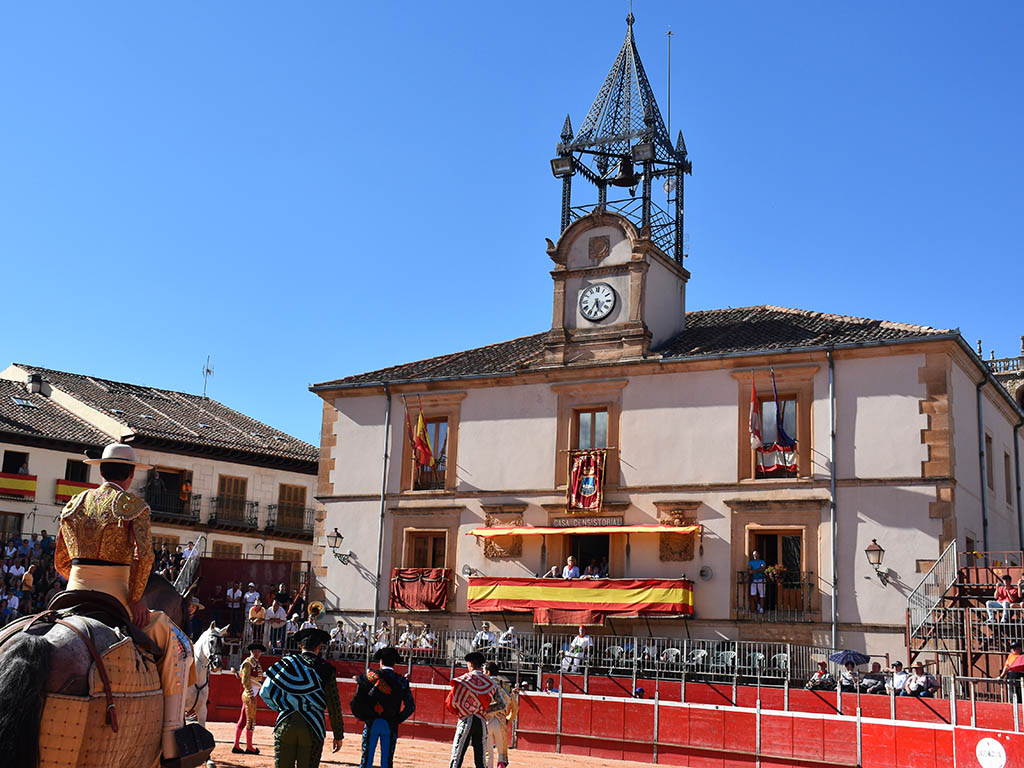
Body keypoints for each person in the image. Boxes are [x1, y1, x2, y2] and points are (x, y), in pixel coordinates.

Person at [54, 442, 211, 764]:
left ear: (101, 471)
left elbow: (61, 561)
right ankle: (172, 742)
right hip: (115, 595)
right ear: (130, 475)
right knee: (177, 644)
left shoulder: (73, 505)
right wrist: (135, 599)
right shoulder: (134, 506)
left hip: (72, 592)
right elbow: (144, 557)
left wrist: (83, 579)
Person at [261, 627, 344, 767]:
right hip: (313, 726)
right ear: (319, 646)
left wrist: (281, 707)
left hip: (286, 722)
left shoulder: (287, 663)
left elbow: (265, 691)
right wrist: (338, 735)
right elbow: (334, 705)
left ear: (300, 646)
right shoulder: (326, 668)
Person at [352, 646, 415, 768]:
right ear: (394, 663)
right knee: (386, 762)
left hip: (372, 722)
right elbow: (410, 706)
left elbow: (356, 701)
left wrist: (364, 717)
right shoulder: (401, 681)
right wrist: (397, 719)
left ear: (381, 661)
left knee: (366, 760)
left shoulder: (370, 677)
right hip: (390, 724)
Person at [446, 651, 498, 768]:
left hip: (465, 720)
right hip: (481, 722)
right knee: (481, 761)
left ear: (470, 664)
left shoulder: (462, 680)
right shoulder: (490, 683)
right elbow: (501, 704)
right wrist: (483, 711)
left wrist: (461, 712)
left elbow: (451, 703)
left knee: (457, 757)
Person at [233, 642, 266, 755]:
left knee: (243, 720)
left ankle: (236, 745)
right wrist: (251, 695)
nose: (257, 653)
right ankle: (250, 747)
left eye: (259, 651)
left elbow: (251, 679)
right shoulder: (248, 663)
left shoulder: (254, 663)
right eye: (255, 651)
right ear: (251, 651)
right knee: (250, 721)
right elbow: (245, 681)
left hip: (251, 694)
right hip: (249, 695)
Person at [483, 662, 516, 768]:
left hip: (486, 722)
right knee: (502, 756)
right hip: (501, 723)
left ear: (488, 672)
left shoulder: (483, 685)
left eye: (483, 671)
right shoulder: (506, 686)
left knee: (488, 755)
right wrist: (508, 719)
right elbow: (515, 708)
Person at [748, 549, 766, 614]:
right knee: (753, 593)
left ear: (758, 555)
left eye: (756, 554)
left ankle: (761, 608)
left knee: (762, 594)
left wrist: (754, 571)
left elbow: (762, 568)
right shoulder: (751, 562)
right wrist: (751, 570)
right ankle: (758, 604)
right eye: (753, 555)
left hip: (761, 579)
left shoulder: (762, 561)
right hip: (754, 579)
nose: (754, 556)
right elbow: (749, 569)